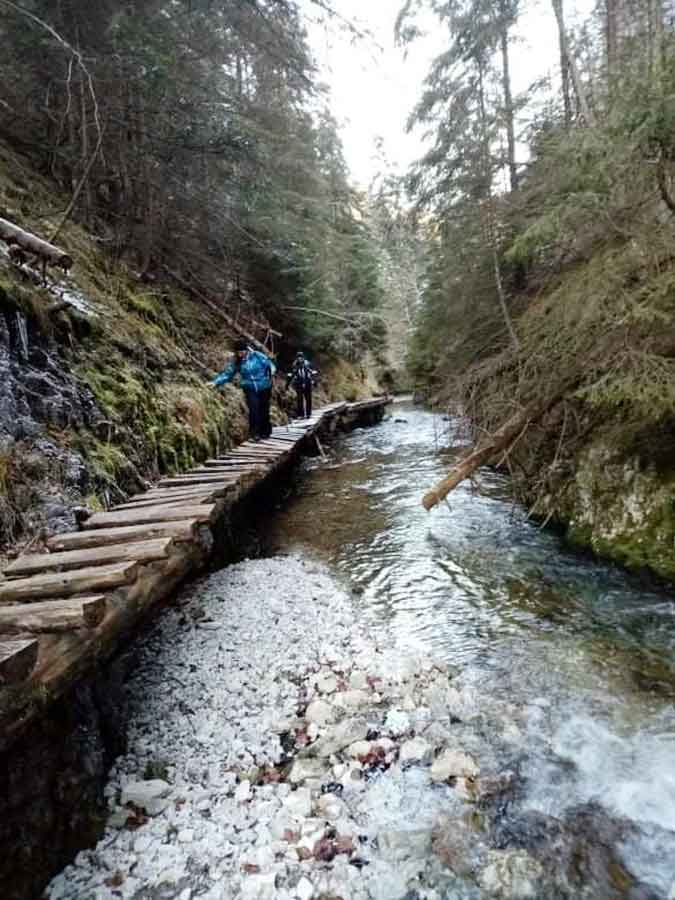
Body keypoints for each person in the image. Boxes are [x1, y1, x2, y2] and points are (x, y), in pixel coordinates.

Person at [211, 340, 276, 440]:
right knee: (253, 409)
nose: (240, 354)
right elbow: (228, 374)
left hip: (264, 386)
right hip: (249, 388)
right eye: (238, 352)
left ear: (246, 350)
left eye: (241, 352)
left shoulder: (257, 356)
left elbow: (269, 364)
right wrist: (215, 382)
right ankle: (255, 433)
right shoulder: (237, 362)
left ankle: (265, 432)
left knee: (264, 410)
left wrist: (272, 371)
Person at [286, 351, 319, 419]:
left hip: (307, 383)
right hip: (299, 384)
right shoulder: (294, 365)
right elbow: (291, 375)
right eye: (298, 357)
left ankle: (308, 414)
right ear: (297, 358)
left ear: (303, 357)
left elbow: (313, 373)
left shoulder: (307, 364)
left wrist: (315, 382)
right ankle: (301, 414)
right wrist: (287, 385)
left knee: (308, 399)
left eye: (301, 357)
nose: (300, 359)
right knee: (299, 399)